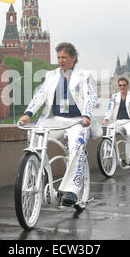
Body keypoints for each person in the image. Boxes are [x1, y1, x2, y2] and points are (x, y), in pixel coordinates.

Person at [18, 42, 99, 207]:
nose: (60, 60)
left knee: (77, 145)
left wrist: (87, 116)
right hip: (55, 118)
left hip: (78, 120)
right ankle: (37, 173)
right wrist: (28, 114)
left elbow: (90, 97)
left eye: (64, 57)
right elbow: (40, 94)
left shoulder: (84, 75)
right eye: (59, 57)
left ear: (73, 58)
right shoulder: (51, 75)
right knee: (34, 136)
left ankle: (71, 192)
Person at [102, 77, 130, 168]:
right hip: (118, 121)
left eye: (124, 85)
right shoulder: (114, 97)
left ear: (127, 86)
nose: (122, 87)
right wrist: (106, 118)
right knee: (109, 129)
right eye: (120, 85)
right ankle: (108, 152)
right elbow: (110, 109)